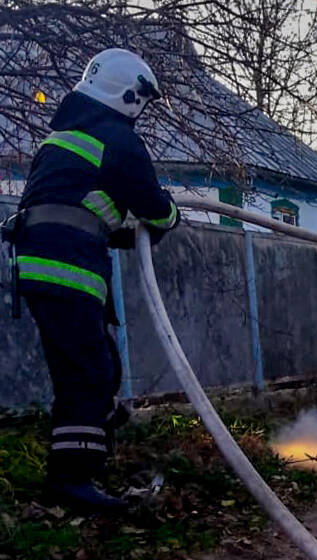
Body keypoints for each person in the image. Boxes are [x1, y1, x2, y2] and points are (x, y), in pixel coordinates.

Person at [8, 48, 179, 513]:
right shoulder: (117, 138)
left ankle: (88, 457)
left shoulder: (63, 136)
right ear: (128, 95)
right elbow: (155, 208)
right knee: (87, 373)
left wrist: (117, 233)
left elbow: (74, 205)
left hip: (42, 263)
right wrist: (170, 216)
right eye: (142, 102)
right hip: (69, 268)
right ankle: (71, 482)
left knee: (97, 366)